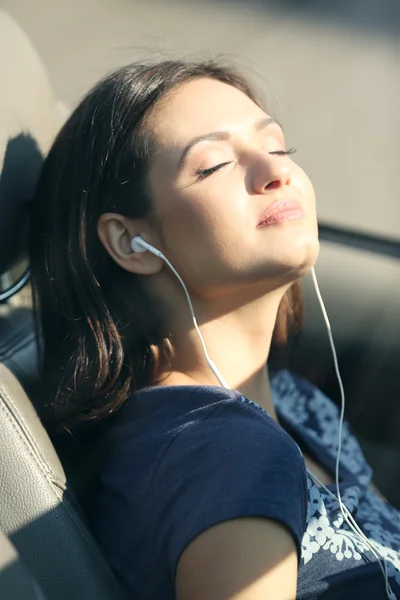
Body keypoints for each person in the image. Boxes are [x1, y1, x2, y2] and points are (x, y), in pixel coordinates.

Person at [29, 59, 400, 600]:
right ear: (131, 241)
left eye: (277, 147)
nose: (278, 172)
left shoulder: (293, 404)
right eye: (214, 164)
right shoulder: (229, 458)